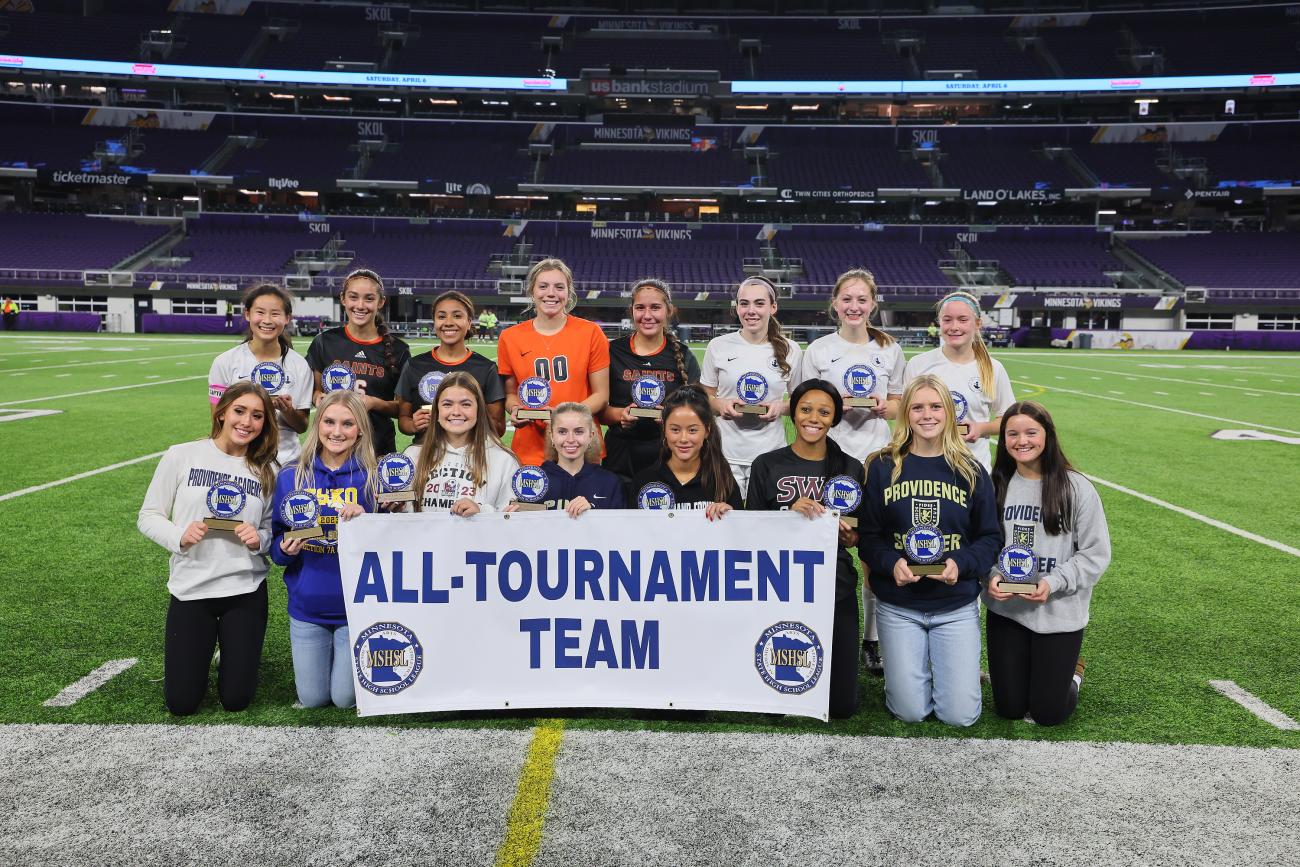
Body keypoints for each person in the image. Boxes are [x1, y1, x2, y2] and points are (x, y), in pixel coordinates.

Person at [857, 374, 1001, 727]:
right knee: (910, 712)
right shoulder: (880, 466)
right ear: (905, 413)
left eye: (936, 406)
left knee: (960, 716)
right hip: (899, 606)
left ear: (949, 413)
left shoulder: (971, 470)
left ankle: (951, 675)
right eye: (917, 407)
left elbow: (989, 537)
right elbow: (869, 537)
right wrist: (891, 563)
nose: (927, 415)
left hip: (954, 605)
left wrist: (961, 563)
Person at [137, 381, 278, 715]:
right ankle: (207, 649)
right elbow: (148, 515)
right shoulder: (182, 455)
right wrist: (178, 536)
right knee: (181, 703)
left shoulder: (267, 470)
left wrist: (260, 540)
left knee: (236, 700)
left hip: (245, 589)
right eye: (239, 411)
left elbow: (273, 529)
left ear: (265, 424)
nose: (247, 422)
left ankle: (230, 649)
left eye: (257, 416)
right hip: (191, 589)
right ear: (222, 413)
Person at [797, 269, 904, 676]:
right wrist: (833, 404)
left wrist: (882, 405)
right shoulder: (820, 350)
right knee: (825, 548)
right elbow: (808, 406)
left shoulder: (889, 347)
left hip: (876, 462)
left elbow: (899, 404)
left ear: (872, 304)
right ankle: (822, 630)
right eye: (847, 299)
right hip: (831, 462)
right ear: (835, 303)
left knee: (874, 554)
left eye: (862, 299)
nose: (854, 306)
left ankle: (872, 640)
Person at [984, 401, 1111, 726]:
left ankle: (1073, 674)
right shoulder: (995, 484)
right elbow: (983, 543)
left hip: (1058, 615)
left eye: (1030, 432)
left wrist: (1052, 582)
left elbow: (1096, 554)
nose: (1021, 441)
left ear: (1048, 436)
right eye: (1012, 433)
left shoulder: (1076, 487)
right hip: (1008, 612)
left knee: (1047, 713)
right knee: (1010, 708)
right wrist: (991, 576)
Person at [748, 380, 863, 719]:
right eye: (806, 409)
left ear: (834, 419)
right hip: (781, 587)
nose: (814, 418)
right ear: (793, 413)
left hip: (833, 587)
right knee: (774, 707)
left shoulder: (851, 468)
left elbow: (861, 534)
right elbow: (752, 533)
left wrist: (850, 538)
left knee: (841, 707)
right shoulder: (766, 465)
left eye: (824, 412)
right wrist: (788, 516)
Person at [270, 390, 378, 709]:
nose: (336, 431)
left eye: (347, 424)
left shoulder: (373, 478)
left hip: (355, 609)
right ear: (317, 426)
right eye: (329, 422)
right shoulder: (292, 476)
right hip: (308, 607)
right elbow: (276, 549)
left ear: (360, 430)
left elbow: (389, 547)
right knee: (313, 699)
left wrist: (367, 520)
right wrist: (286, 549)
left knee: (344, 699)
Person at [498, 258, 610, 467]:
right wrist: (515, 409)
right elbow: (511, 393)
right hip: (530, 448)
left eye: (559, 287)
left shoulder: (590, 332)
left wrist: (562, 417)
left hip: (580, 446)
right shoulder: (510, 337)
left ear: (568, 293)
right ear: (532, 291)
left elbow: (601, 396)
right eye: (543, 286)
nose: (551, 293)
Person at [699, 276, 803, 500]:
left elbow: (801, 402)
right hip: (724, 453)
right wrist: (720, 404)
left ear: (773, 307)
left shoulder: (791, 349)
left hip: (771, 454)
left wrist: (781, 408)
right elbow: (704, 396)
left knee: (767, 527)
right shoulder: (718, 346)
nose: (751, 310)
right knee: (724, 524)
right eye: (744, 303)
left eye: (759, 303)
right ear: (736, 307)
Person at [600, 278, 701, 482]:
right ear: (632, 311)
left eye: (655, 307)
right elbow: (600, 411)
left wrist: (670, 417)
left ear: (669, 310)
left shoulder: (683, 355)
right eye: (640, 308)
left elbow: (698, 412)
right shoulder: (612, 351)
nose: (647, 315)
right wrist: (621, 414)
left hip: (669, 455)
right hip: (620, 456)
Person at [306, 268, 411, 458]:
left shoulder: (399, 350)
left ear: (381, 302)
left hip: (377, 448)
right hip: (329, 447)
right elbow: (313, 390)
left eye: (369, 299)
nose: (360, 305)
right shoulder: (324, 342)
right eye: (353, 297)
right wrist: (317, 398)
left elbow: (403, 409)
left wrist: (374, 403)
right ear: (343, 299)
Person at [904, 291, 1013, 473]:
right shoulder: (918, 364)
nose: (954, 326)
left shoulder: (993, 369)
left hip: (974, 469)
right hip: (926, 467)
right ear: (940, 323)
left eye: (963, 320)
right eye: (947, 320)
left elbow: (1008, 420)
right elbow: (905, 415)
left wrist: (981, 428)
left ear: (978, 323)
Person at [209, 283, 312, 465]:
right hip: (238, 461)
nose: (267, 320)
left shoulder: (299, 365)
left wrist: (287, 410)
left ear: (287, 318)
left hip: (286, 461)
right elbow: (218, 421)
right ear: (248, 314)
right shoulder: (224, 362)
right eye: (260, 312)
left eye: (275, 313)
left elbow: (302, 426)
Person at [396, 291, 505, 444]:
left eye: (457, 316)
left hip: (471, 457)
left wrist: (466, 417)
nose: (448, 322)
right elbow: (403, 420)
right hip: (426, 455)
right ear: (434, 322)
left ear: (469, 322)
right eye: (441, 316)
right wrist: (413, 425)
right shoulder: (414, 365)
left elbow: (499, 427)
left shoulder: (487, 368)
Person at [405, 371, 518, 514]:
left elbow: (509, 521)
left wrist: (481, 512)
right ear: (436, 411)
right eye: (447, 404)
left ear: (479, 409)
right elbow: (405, 517)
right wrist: (399, 507)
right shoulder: (413, 456)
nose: (456, 412)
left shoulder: (504, 461)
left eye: (466, 404)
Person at [628, 385, 742, 519]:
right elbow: (633, 533)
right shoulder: (644, 481)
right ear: (664, 429)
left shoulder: (722, 479)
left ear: (707, 431)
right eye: (675, 430)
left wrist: (731, 515)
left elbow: (740, 535)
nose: (683, 439)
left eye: (692, 430)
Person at [522, 402, 625, 515]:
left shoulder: (609, 482)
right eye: (562, 432)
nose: (570, 439)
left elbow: (617, 528)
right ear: (552, 436)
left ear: (590, 436)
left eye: (578, 432)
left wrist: (592, 512)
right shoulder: (532, 480)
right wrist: (511, 518)